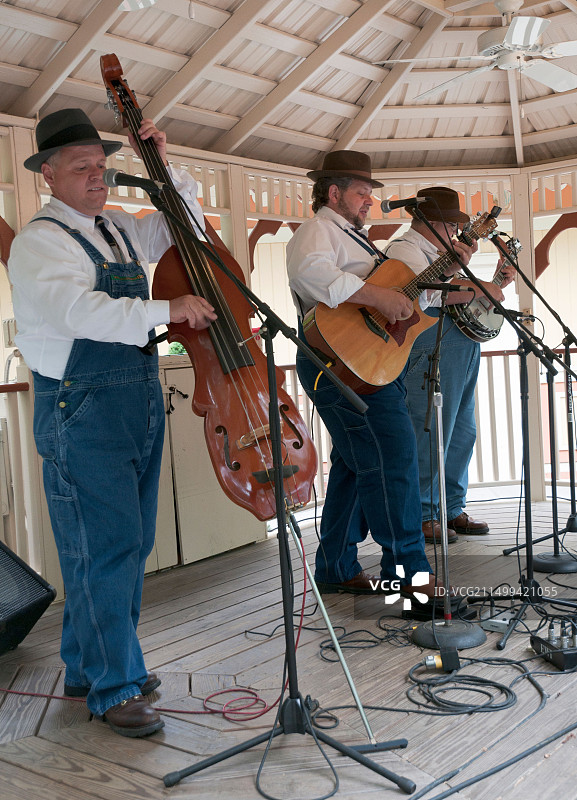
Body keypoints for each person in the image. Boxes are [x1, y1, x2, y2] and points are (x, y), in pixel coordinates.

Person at [8, 108, 216, 738]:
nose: (98, 178)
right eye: (82, 168)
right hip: (81, 406)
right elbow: (81, 311)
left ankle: (87, 665)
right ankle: (113, 684)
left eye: (101, 167)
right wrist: (167, 306)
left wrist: (164, 163)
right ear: (48, 174)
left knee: (127, 543)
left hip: (134, 398)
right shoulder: (38, 242)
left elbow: (187, 227)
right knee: (106, 546)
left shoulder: (120, 227)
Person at [286, 152, 463, 599]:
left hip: (370, 363)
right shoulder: (317, 231)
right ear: (334, 193)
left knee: (354, 464)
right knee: (393, 458)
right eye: (362, 192)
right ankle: (410, 578)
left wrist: (440, 275)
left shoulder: (359, 241)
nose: (369, 201)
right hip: (337, 362)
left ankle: (334, 565)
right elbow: (312, 275)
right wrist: (378, 297)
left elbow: (405, 306)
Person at [383, 187, 515, 543]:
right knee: (431, 429)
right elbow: (425, 292)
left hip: (460, 341)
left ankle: (451, 507)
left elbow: (452, 285)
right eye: (450, 225)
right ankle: (425, 513)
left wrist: (477, 280)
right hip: (427, 344)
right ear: (434, 221)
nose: (454, 232)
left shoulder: (442, 253)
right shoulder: (404, 249)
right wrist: (479, 288)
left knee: (462, 431)